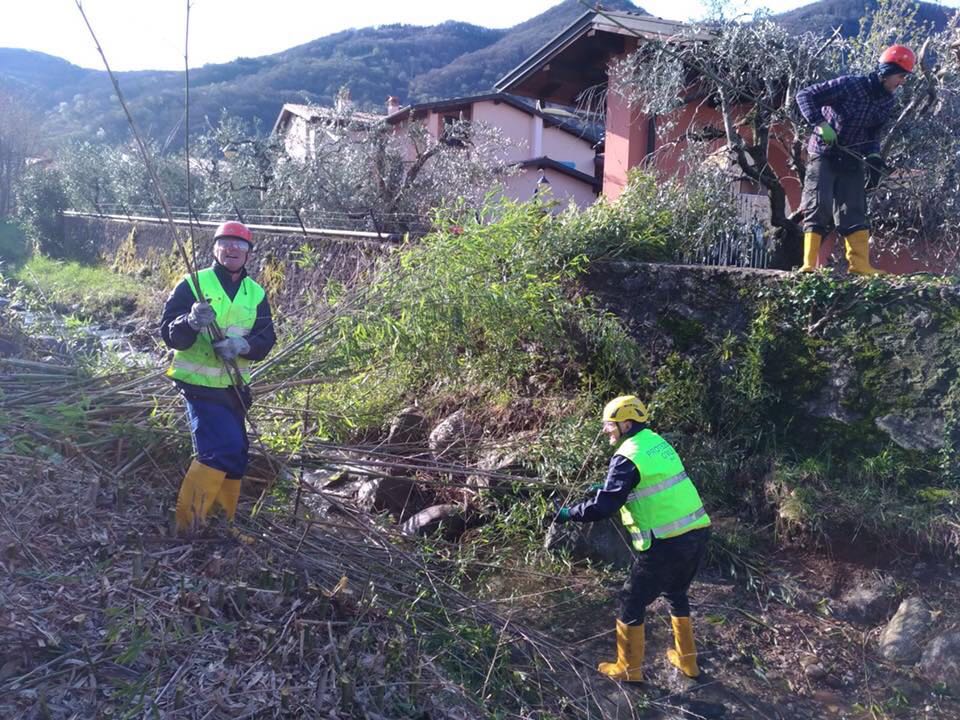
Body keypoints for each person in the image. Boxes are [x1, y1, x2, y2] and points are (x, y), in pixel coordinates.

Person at [554, 395, 711, 683]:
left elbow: (605, 507)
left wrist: (569, 514)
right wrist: (609, 486)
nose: (605, 430)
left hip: (665, 541)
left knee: (630, 601)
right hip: (697, 531)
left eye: (609, 424)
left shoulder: (627, 455)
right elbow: (650, 481)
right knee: (676, 593)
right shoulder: (657, 442)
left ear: (626, 424)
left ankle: (628, 669)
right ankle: (688, 663)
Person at [161, 220, 277, 533]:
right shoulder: (194, 283)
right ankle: (188, 527)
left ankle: (223, 524)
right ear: (215, 249)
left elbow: (266, 338)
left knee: (237, 454)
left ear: (249, 253)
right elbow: (170, 334)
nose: (232, 249)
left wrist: (243, 345)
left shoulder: (255, 293)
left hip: (235, 388)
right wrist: (190, 321)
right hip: (198, 384)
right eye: (225, 243)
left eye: (240, 245)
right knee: (219, 450)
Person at [795, 44, 916, 275]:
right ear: (887, 72)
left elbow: (872, 135)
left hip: (852, 157)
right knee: (819, 204)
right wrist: (820, 125)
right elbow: (805, 95)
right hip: (824, 153)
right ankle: (809, 264)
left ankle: (859, 265)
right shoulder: (850, 85)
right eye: (901, 76)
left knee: (854, 209)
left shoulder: (887, 102)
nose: (902, 82)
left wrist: (874, 158)